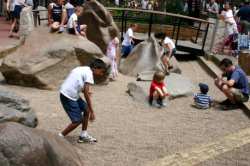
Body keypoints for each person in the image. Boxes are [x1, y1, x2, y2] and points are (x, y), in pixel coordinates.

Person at [59, 59, 107, 143]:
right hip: (68, 96)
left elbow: (75, 82)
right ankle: (59, 137)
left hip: (69, 93)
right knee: (77, 120)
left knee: (86, 109)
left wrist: (84, 91)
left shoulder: (83, 69)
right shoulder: (89, 74)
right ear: (95, 68)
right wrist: (92, 111)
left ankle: (83, 135)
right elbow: (86, 94)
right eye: (101, 71)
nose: (101, 74)